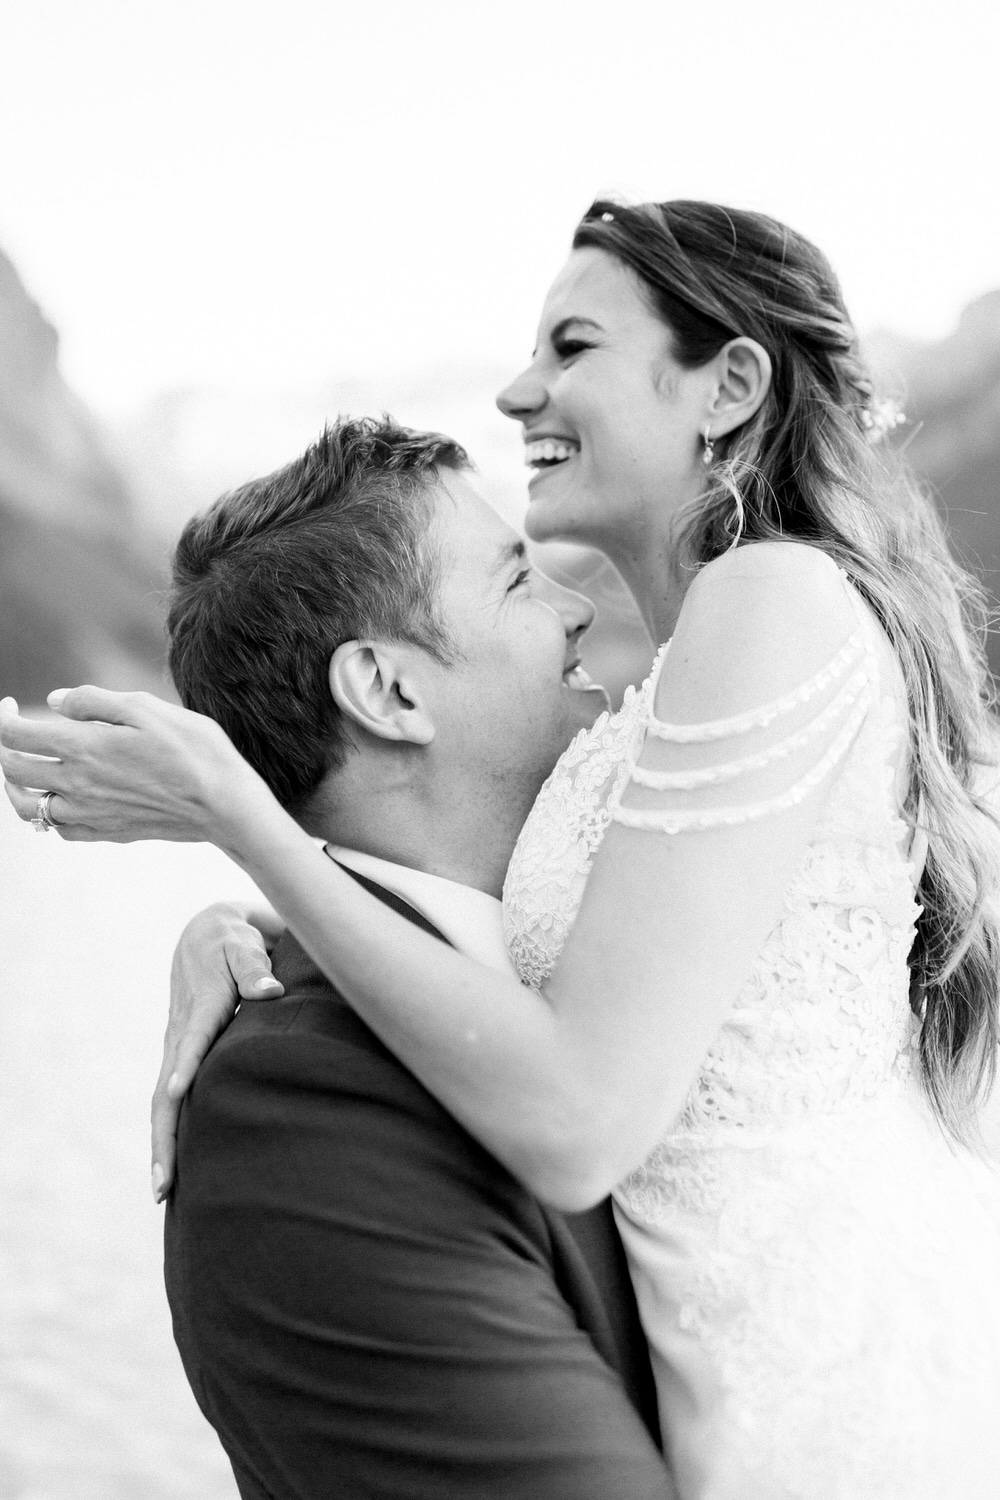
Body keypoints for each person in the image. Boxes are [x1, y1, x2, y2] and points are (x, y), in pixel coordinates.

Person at [4, 199, 1000, 1498]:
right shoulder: (668, 707)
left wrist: (242, 820)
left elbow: (579, 1107)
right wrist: (267, 935)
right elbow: (551, 920)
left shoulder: (768, 599)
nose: (521, 386)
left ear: (728, 386)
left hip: (830, 1402)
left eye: (573, 344)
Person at [29, 418, 678, 1498]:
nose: (579, 610)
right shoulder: (294, 1112)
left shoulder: (619, 957)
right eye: (519, 581)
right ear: (387, 692)